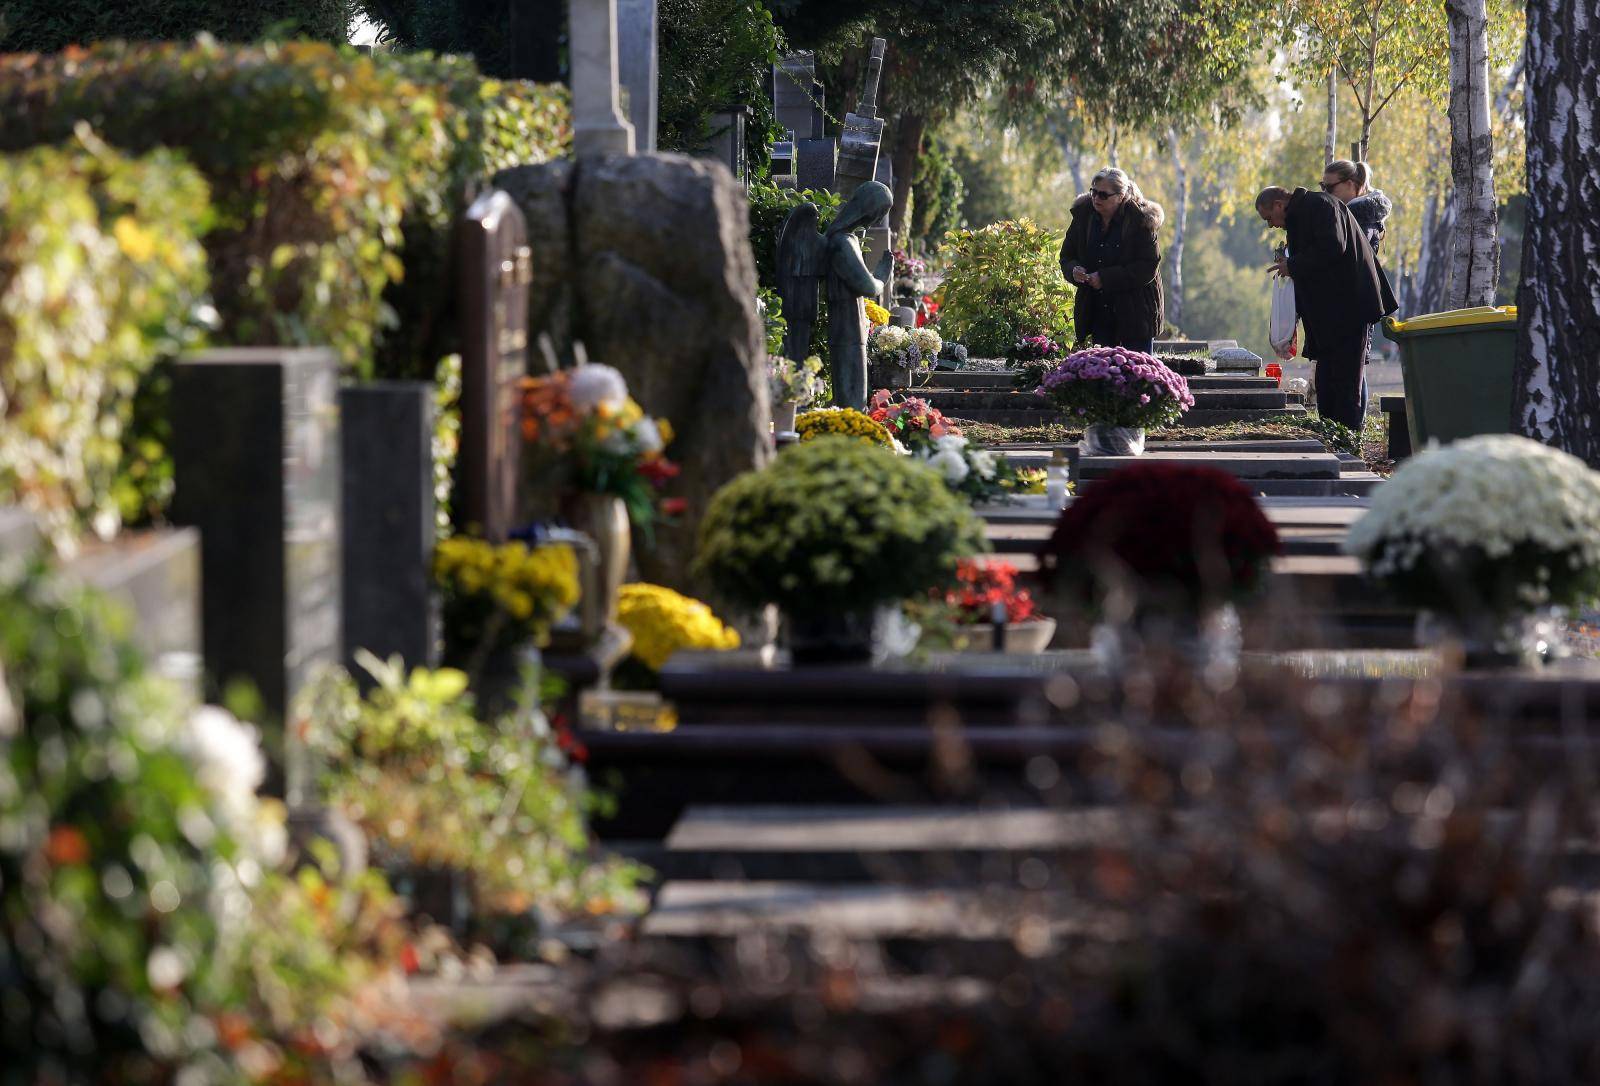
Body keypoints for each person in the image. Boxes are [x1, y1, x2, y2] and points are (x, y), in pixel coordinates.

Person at [1257, 185, 1398, 434]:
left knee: (1345, 383)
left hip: (1350, 310)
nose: (1271, 225)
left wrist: (1294, 265)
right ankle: (1331, 435)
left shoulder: (1320, 206)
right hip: (1330, 315)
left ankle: (1347, 443)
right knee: (1326, 382)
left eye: (1269, 218)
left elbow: (1333, 247)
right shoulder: (1304, 214)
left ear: (1279, 204)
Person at [1059, 167, 1165, 353]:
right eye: (1093, 192)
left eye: (1103, 195)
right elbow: (1067, 256)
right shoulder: (1083, 215)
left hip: (1135, 312)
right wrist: (1074, 270)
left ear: (1120, 196)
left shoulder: (1140, 220)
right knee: (1102, 374)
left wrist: (1105, 278)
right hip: (1098, 311)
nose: (1096, 198)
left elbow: (1147, 267)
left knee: (1137, 375)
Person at [1322, 159, 1392, 255]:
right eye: (1323, 186)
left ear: (1349, 184)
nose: (1324, 192)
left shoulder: (1361, 222)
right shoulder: (1354, 216)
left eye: (1330, 187)